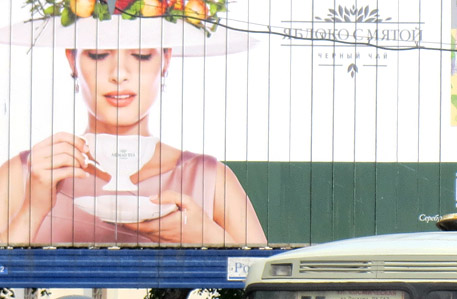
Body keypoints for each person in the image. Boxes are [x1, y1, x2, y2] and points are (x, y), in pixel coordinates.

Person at [0, 3, 265, 246]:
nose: (118, 74)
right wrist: (32, 210)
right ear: (72, 60)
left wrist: (209, 237)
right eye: (98, 54)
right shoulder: (24, 174)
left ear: (165, 59)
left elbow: (272, 282)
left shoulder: (210, 179)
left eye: (140, 55)